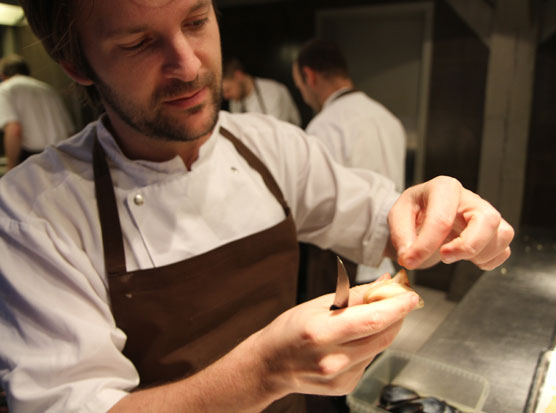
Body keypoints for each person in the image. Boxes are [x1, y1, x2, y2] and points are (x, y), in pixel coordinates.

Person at [0, 1, 513, 412]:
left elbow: (381, 215)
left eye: (196, 21)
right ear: (76, 63)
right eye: (138, 42)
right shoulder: (34, 212)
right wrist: (265, 372)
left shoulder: (273, 148)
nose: (188, 64)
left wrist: (442, 213)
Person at [292, 39, 406, 294]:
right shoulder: (388, 118)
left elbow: (316, 203)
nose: (304, 94)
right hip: (388, 258)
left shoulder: (325, 125)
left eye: (299, 86)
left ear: (309, 77)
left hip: (343, 267)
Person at [0, 54, 75, 170]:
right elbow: (70, 132)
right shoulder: (48, 89)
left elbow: (14, 130)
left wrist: (11, 167)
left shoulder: (5, 89)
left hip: (33, 161)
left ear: (3, 75)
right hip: (63, 157)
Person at [222, 57, 302, 126]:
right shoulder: (234, 102)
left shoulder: (273, 92)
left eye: (228, 90)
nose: (226, 96)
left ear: (238, 76)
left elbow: (277, 132)